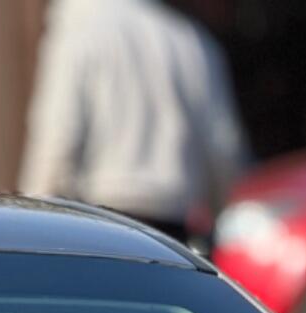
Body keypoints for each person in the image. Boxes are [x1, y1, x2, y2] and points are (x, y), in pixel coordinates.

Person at [18, 0, 247, 244]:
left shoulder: (81, 24)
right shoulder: (190, 39)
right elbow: (225, 154)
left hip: (102, 226)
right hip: (176, 235)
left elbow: (58, 139)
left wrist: (34, 232)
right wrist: (220, 222)